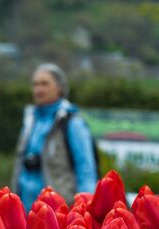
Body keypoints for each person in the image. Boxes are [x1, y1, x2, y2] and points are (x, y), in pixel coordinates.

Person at [10, 63, 98, 210]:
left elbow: (85, 168)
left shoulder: (71, 122)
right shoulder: (30, 120)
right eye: (35, 84)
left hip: (59, 212)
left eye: (44, 84)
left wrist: (86, 206)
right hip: (26, 209)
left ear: (60, 87)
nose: (38, 89)